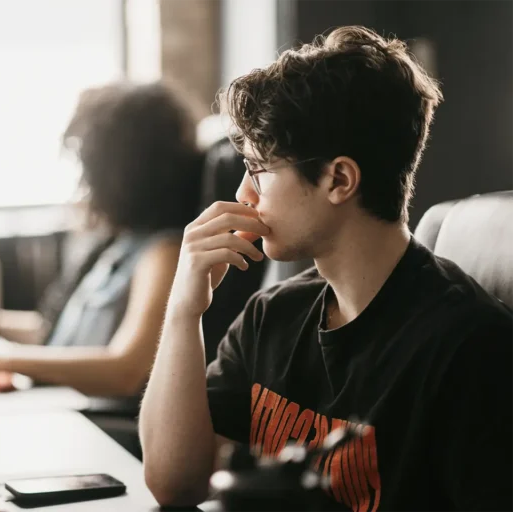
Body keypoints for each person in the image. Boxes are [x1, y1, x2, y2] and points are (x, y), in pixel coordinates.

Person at [140, 25, 513, 510]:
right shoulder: (272, 315)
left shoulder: (471, 348)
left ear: (338, 179)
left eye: (258, 172)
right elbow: (174, 484)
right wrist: (184, 311)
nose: (243, 197)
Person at [0, 81, 203, 399]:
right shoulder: (118, 242)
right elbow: (56, 335)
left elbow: (125, 370)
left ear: (122, 174)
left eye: (87, 167)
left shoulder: (164, 253)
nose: (83, 181)